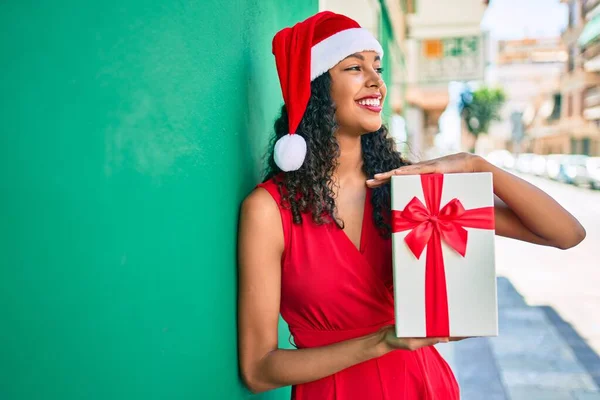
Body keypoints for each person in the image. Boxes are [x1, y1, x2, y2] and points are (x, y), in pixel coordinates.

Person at [237, 11, 586, 400]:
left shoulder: (412, 191)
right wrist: (383, 342)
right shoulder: (268, 210)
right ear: (315, 89)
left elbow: (566, 234)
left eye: (378, 67)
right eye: (354, 67)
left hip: (423, 386)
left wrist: (476, 164)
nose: (376, 81)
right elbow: (258, 369)